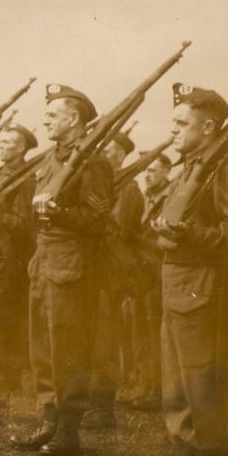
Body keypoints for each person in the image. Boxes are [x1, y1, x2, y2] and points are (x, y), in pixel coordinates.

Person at [135, 83, 228, 456]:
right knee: (178, 383)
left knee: (204, 383)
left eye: (181, 123)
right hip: (176, 282)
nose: (174, 130)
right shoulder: (191, 166)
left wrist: (193, 234)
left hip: (205, 288)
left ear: (208, 127)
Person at [10, 84, 113, 456]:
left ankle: (68, 429)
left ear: (73, 118)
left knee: (67, 346)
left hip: (71, 262)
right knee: (43, 346)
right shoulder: (50, 159)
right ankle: (49, 419)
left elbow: (101, 219)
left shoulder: (93, 161)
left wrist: (62, 215)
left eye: (52, 115)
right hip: (44, 259)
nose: (46, 121)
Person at [0, 123, 37, 414]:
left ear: (22, 148)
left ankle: (9, 380)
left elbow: (24, 225)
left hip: (9, 256)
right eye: (1, 142)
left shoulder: (25, 179)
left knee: (6, 319)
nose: (3, 147)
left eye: (10, 143)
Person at [86, 131, 143, 430]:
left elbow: (118, 229)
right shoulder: (99, 182)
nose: (103, 156)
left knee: (104, 340)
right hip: (91, 267)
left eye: (110, 152)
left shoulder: (128, 188)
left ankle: (103, 404)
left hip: (111, 270)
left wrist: (98, 215)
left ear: (121, 156)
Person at [121, 153, 173, 411]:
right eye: (147, 171)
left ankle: (157, 389)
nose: (148, 175)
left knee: (153, 330)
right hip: (141, 272)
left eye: (154, 170)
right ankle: (143, 384)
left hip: (158, 271)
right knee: (138, 329)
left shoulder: (169, 198)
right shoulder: (144, 199)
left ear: (167, 172)